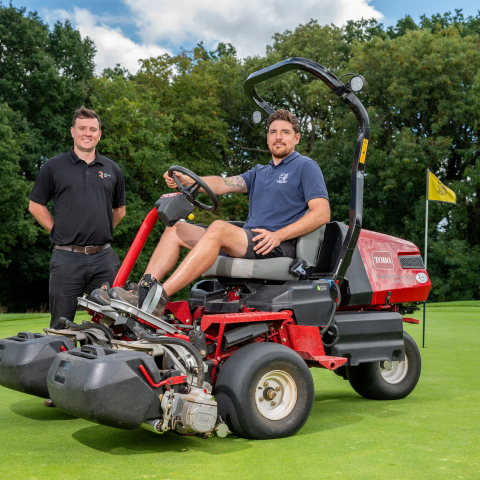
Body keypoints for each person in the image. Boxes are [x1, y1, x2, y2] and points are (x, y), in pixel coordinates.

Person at [97, 109, 329, 317]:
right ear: (267, 138)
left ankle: (158, 299)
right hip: (248, 238)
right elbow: (223, 183)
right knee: (175, 229)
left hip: (275, 243)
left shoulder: (305, 166)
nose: (279, 137)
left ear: (296, 138)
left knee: (218, 227)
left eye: (285, 132)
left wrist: (278, 235)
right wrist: (189, 180)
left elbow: (321, 213)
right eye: (273, 132)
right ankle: (141, 291)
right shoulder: (259, 172)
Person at [29, 106, 126, 330]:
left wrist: (101, 230)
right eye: (82, 128)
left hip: (104, 259)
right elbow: (35, 205)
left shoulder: (112, 169)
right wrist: (57, 230)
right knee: (61, 328)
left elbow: (119, 210)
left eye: (93, 129)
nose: (87, 133)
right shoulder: (54, 166)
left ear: (99, 134)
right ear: (72, 131)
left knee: (111, 327)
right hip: (66, 259)